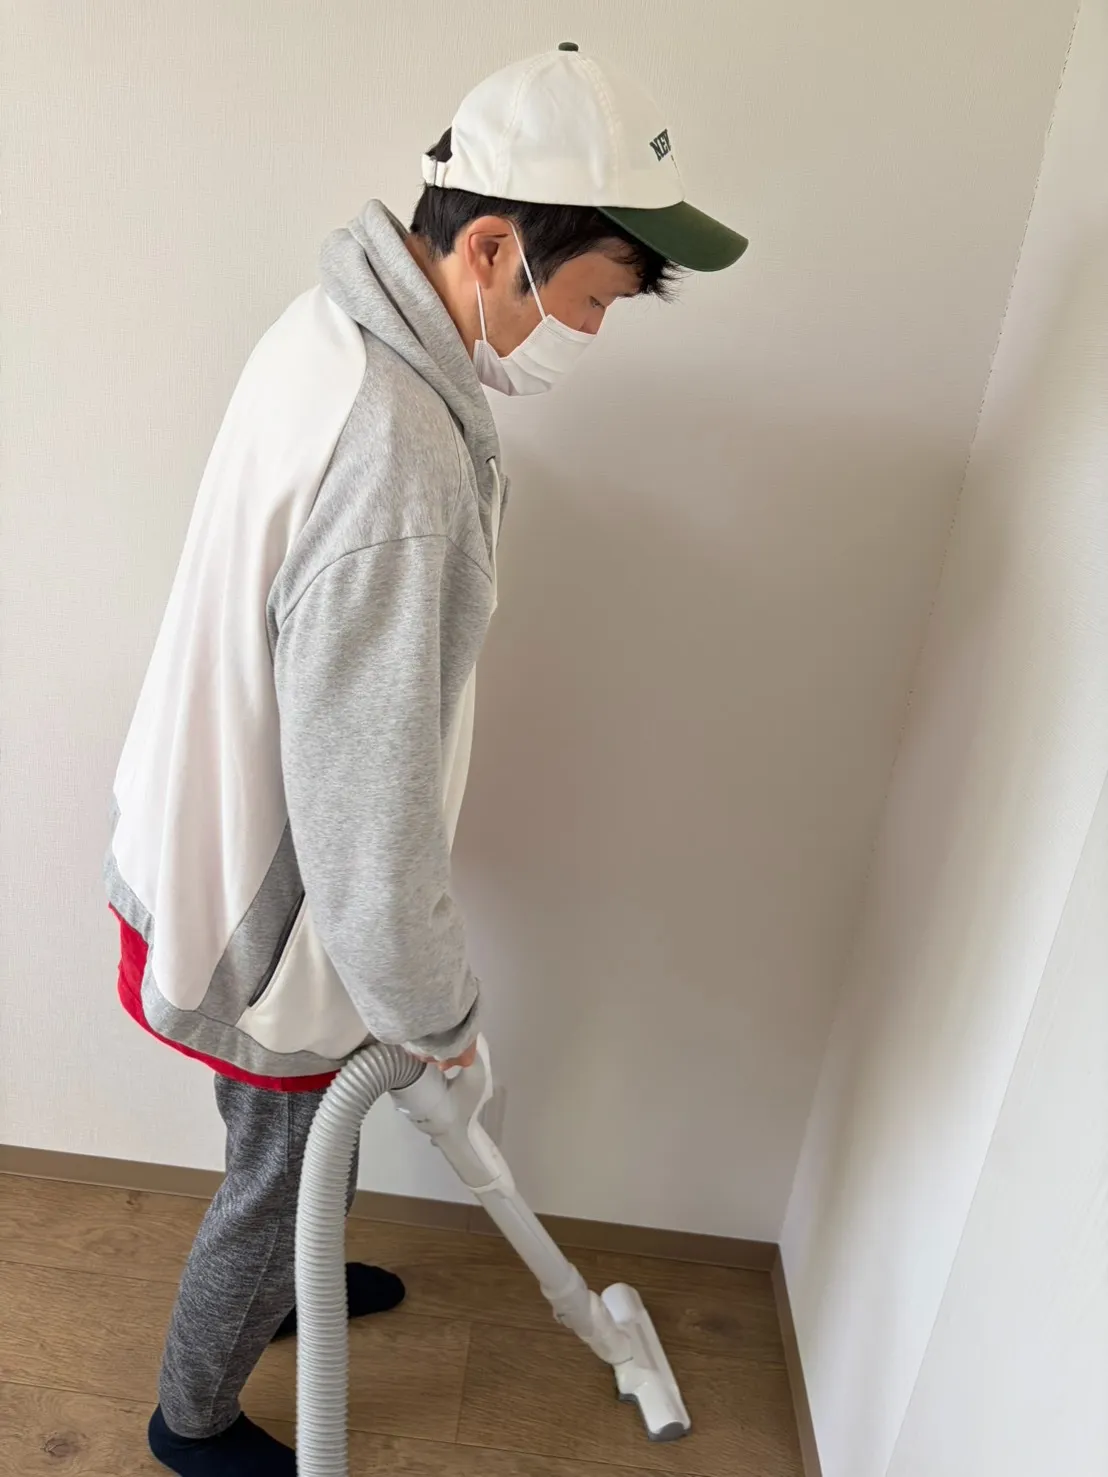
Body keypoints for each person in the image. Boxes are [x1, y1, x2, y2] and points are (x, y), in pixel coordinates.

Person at [106, 40, 747, 1477]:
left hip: (204, 823)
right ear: (496, 248)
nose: (589, 333)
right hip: (273, 901)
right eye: (591, 301)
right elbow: (364, 795)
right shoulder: (398, 449)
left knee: (288, 1150)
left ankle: (289, 1280)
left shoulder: (335, 322)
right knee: (277, 1167)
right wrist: (436, 1009)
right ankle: (190, 1418)